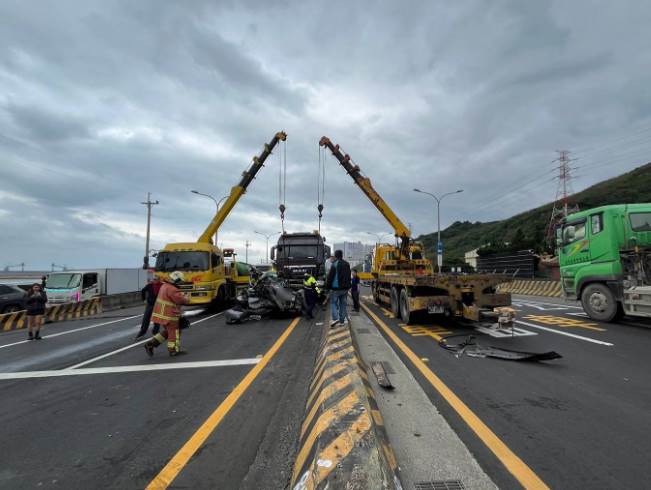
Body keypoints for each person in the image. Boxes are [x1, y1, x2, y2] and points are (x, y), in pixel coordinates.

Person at [144, 271, 190, 357]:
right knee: (174, 332)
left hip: (162, 314)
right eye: (180, 281)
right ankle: (173, 350)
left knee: (168, 332)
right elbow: (180, 300)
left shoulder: (164, 286)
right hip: (170, 314)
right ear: (176, 280)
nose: (181, 283)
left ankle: (151, 344)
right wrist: (186, 298)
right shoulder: (172, 289)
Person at [325, 250, 351, 327]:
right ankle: (342, 321)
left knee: (333, 303)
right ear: (342, 255)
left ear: (336, 256)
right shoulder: (347, 264)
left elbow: (330, 277)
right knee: (343, 304)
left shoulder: (334, 264)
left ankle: (335, 318)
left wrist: (328, 287)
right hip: (345, 289)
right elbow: (349, 276)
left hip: (336, 289)